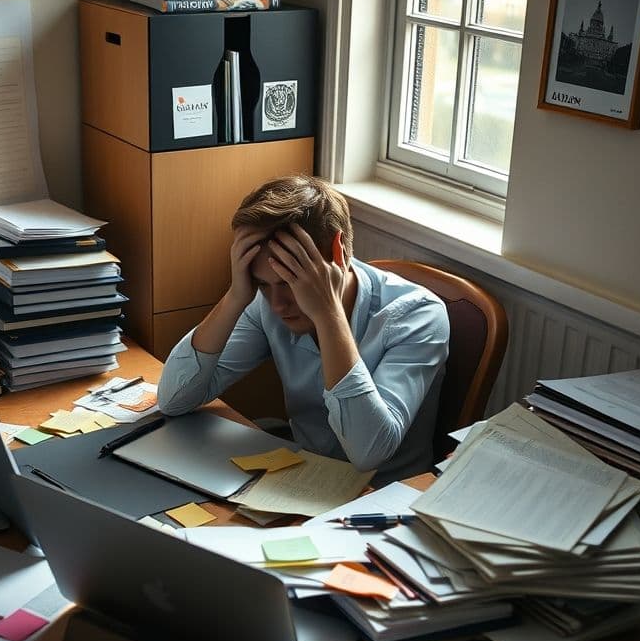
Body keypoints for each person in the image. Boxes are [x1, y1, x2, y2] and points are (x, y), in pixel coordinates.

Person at [156, 175, 450, 484]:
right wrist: (236, 296)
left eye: (289, 283)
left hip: (382, 498)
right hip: (304, 478)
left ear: (338, 255)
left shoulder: (418, 315)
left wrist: (327, 315)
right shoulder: (266, 303)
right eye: (263, 285)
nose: (278, 304)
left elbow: (368, 453)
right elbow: (174, 399)